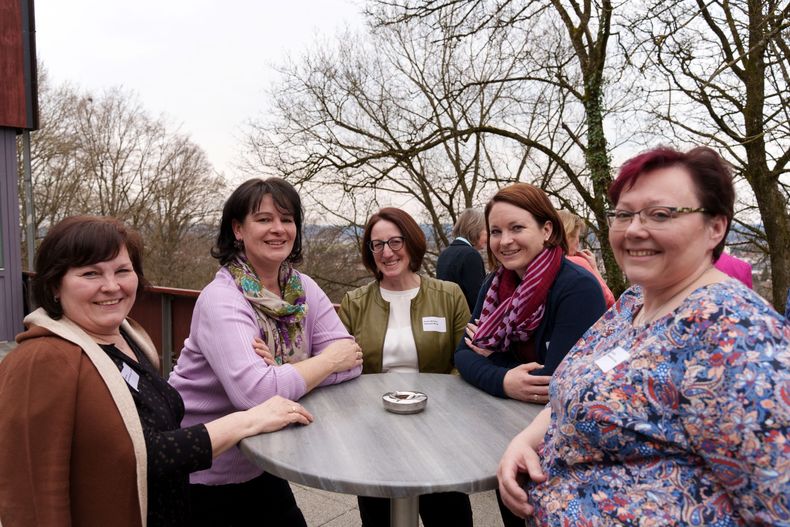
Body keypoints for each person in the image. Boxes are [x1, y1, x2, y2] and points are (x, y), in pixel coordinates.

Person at [498, 146, 790, 526]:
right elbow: (572, 389)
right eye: (623, 213)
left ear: (715, 227)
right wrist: (524, 441)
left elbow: (778, 502)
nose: (634, 229)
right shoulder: (633, 301)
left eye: (661, 214)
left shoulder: (736, 332)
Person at [0, 216, 313, 527]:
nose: (111, 286)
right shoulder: (42, 359)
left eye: (122, 271)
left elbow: (144, 437)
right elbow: (31, 493)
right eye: (90, 273)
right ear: (55, 285)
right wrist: (249, 419)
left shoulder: (126, 337)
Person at [168, 178, 362, 526]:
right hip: (209, 471)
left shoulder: (300, 288)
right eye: (264, 219)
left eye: (287, 220)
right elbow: (256, 393)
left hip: (265, 458)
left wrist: (283, 370)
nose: (278, 229)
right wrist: (325, 361)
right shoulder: (222, 298)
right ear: (238, 229)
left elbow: (353, 359)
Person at [339, 207, 472, 527]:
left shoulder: (448, 296)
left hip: (438, 432)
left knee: (449, 517)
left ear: (412, 242)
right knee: (379, 519)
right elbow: (334, 363)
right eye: (377, 245)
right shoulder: (354, 302)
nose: (387, 252)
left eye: (395, 241)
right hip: (375, 433)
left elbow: (466, 360)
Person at [557, 210, 616, 308]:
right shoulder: (576, 263)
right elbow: (609, 301)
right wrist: (594, 268)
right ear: (568, 237)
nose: (578, 242)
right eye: (577, 237)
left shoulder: (542, 263)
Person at [436, 208, 487, 310]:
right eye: (486, 231)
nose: (489, 237)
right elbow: (477, 299)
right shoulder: (471, 255)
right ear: (476, 229)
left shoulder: (445, 254)